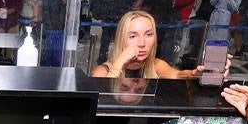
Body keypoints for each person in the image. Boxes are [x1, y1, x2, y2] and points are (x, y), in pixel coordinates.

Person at [92, 10, 225, 79]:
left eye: (149, 34)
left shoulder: (156, 66)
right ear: (121, 39)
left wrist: (197, 74)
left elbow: (178, 75)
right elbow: (101, 99)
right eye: (133, 36)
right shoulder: (103, 71)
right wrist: (120, 61)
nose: (142, 43)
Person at [34, 0, 71, 67]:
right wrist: (36, 18)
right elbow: (38, 4)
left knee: (57, 63)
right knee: (45, 62)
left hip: (60, 34)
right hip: (47, 32)